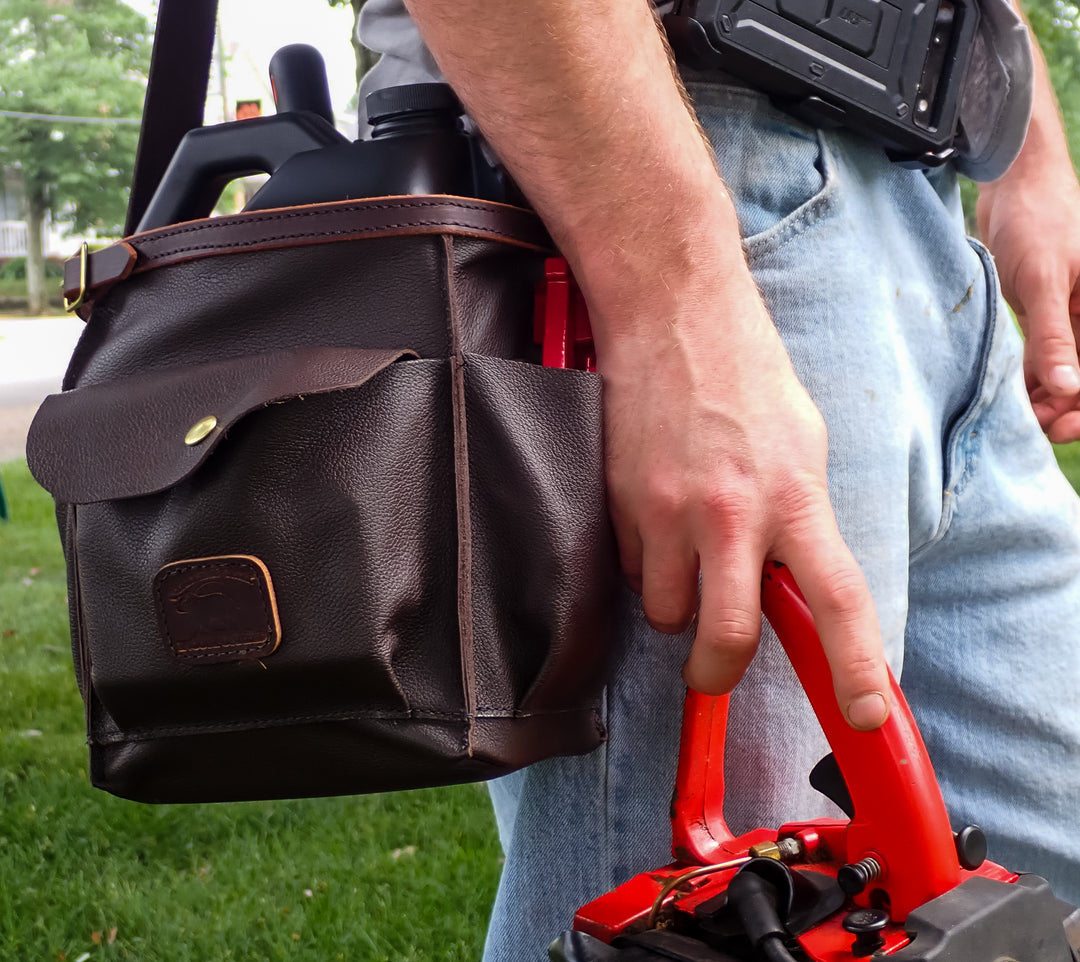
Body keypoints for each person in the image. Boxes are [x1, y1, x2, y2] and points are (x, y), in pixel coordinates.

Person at [357, 2, 1080, 959]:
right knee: (713, 923)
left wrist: (1029, 163)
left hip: (923, 203)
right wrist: (670, 297)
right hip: (667, 167)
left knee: (1045, 887)